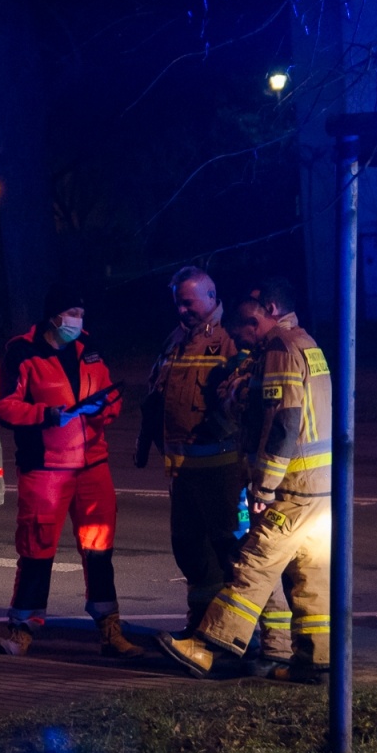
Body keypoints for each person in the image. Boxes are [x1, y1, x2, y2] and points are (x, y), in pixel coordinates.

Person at [156, 295, 333, 681]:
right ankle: (316, 662)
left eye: (249, 320)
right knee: (310, 574)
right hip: (319, 486)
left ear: (271, 308)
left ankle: (206, 648)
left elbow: (284, 422)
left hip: (292, 487)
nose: (242, 331)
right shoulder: (307, 344)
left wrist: (265, 487)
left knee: (251, 567)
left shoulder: (281, 349)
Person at [0, 284, 140, 659]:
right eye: (72, 313)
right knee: (37, 549)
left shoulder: (87, 348)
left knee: (99, 548)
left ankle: (110, 630)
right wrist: (47, 415)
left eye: (80, 313)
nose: (77, 320)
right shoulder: (21, 352)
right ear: (54, 316)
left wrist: (103, 409)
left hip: (92, 464)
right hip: (47, 467)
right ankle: (22, 629)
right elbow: (4, 407)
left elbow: (109, 395)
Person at [137, 266, 246, 635]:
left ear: (211, 299)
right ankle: (200, 626)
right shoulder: (175, 340)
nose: (181, 311)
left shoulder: (233, 341)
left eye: (187, 303)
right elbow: (157, 395)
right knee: (190, 550)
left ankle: (236, 634)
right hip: (182, 472)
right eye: (177, 304)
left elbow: (243, 404)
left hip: (221, 470)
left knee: (230, 551)